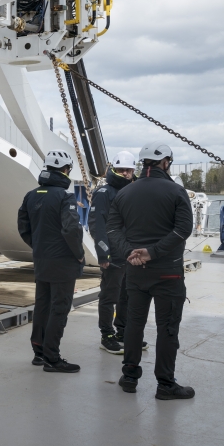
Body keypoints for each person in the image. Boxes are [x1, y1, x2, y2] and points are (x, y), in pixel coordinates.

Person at [107, 142, 196, 400]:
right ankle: (166, 384)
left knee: (134, 324)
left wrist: (129, 253)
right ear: (166, 162)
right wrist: (153, 252)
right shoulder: (176, 191)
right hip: (168, 273)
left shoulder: (125, 193)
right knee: (167, 327)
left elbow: (112, 229)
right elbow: (182, 230)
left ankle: (130, 376)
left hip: (135, 272)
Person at [18, 149, 85, 373]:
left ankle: (39, 351)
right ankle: (52, 358)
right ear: (66, 171)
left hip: (42, 260)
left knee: (43, 305)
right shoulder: (65, 197)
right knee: (59, 308)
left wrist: (39, 247)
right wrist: (79, 254)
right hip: (63, 262)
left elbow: (23, 228)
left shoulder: (31, 195)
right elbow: (71, 229)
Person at [88, 150, 147, 354]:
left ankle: (123, 331)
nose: (125, 173)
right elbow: (97, 226)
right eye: (121, 170)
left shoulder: (134, 191)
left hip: (130, 254)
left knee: (127, 296)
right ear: (114, 169)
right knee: (109, 296)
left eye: (128, 170)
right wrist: (103, 255)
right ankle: (107, 334)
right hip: (113, 254)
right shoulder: (105, 193)